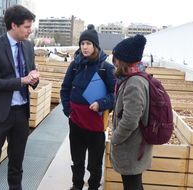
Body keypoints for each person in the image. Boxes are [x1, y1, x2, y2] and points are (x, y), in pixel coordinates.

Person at [0, 5, 39, 190]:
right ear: (14, 25)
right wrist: (22, 80)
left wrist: (34, 79)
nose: (30, 30)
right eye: (27, 26)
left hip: (21, 113)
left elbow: (30, 75)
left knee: (17, 165)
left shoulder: (29, 46)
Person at [60, 24, 116, 190]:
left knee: (94, 162)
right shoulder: (75, 65)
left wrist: (101, 103)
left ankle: (93, 186)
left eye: (88, 44)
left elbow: (115, 95)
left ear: (95, 46)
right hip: (76, 119)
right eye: (82, 44)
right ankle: (76, 185)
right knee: (77, 159)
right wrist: (68, 110)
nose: (84, 47)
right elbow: (65, 89)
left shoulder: (106, 68)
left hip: (95, 122)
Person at [110, 35, 153, 190]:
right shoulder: (136, 77)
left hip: (131, 147)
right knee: (135, 184)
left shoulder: (134, 82)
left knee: (132, 185)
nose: (114, 63)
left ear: (124, 61)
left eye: (116, 59)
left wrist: (115, 137)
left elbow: (130, 119)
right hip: (135, 146)